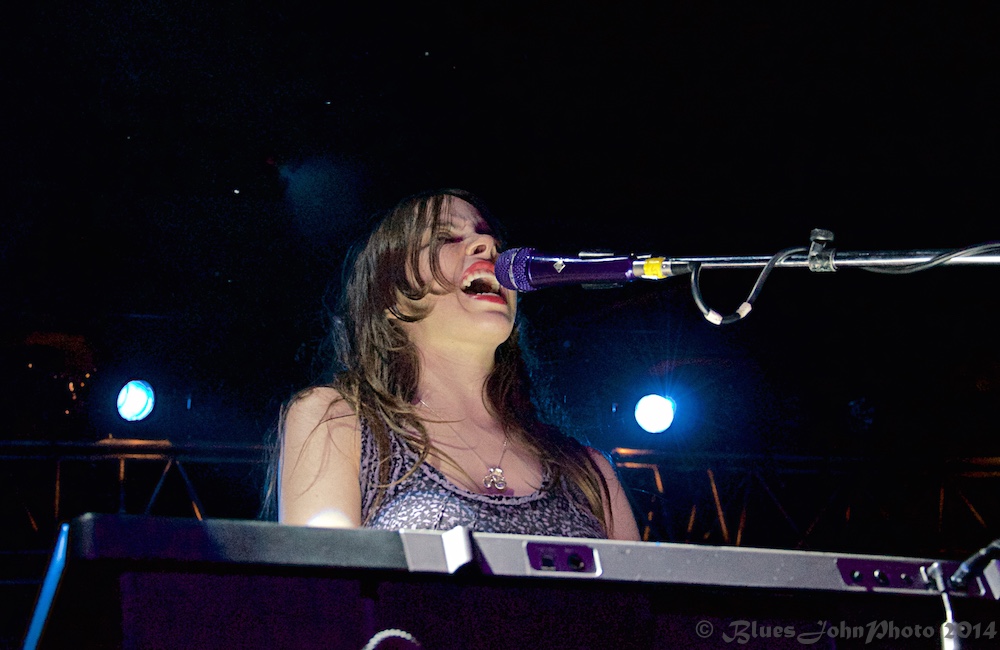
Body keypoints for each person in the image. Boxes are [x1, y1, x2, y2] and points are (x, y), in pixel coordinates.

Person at [267, 188, 640, 540]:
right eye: (445, 238)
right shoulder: (340, 422)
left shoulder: (588, 472)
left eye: (489, 237)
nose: (489, 246)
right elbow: (324, 592)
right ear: (391, 298)